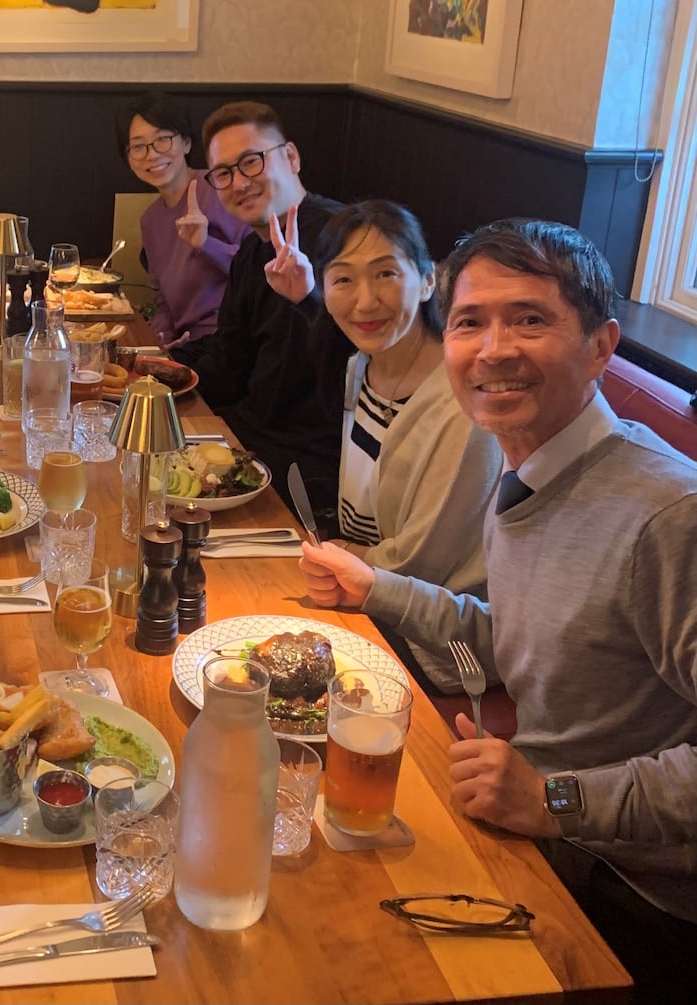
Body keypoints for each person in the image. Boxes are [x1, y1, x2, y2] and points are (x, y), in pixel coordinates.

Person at [298, 218, 697, 1003]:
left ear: (602, 346)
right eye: (471, 322)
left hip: (633, 896)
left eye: (530, 319)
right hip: (539, 826)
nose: (494, 349)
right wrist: (375, 588)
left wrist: (554, 798)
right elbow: (525, 632)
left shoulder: (667, 516)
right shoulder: (529, 462)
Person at [272, 199, 501, 689]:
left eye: (385, 274)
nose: (365, 302)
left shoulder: (463, 405)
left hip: (439, 641)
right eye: (343, 279)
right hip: (366, 592)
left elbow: (423, 565)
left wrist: (341, 554)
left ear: (427, 281)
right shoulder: (360, 367)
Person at [170, 101, 351, 524]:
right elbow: (230, 360)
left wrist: (308, 297)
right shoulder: (253, 250)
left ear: (291, 157)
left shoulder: (347, 239)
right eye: (223, 173)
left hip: (312, 466)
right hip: (251, 437)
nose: (239, 183)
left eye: (251, 162)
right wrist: (161, 369)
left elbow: (361, 362)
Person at [115, 91, 250, 348]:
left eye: (162, 140)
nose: (152, 154)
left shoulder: (220, 188)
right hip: (186, 345)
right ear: (129, 159)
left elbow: (255, 273)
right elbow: (164, 300)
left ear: (186, 143)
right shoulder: (150, 220)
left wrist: (206, 244)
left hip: (231, 340)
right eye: (138, 146)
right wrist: (160, 338)